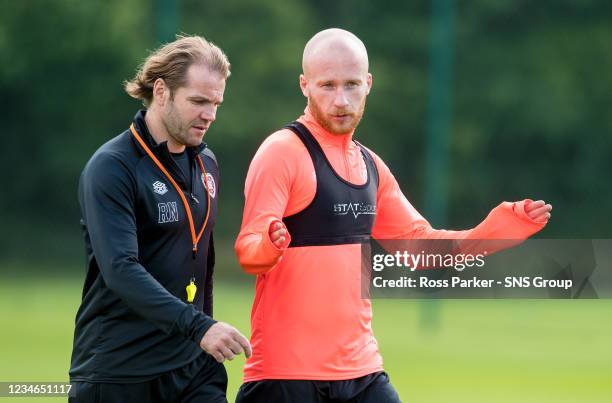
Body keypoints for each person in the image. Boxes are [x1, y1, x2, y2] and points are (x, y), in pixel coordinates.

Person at [234, 28, 552, 402]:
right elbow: (247, 249)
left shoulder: (371, 166)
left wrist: (488, 235)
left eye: (351, 84)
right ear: (304, 85)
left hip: (363, 374)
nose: (341, 99)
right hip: (285, 379)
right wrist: (269, 246)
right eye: (327, 85)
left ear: (368, 83)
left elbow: (417, 248)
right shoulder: (282, 152)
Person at [69, 35, 251, 403]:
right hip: (119, 373)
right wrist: (201, 327)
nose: (210, 114)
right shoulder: (113, 167)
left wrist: (202, 337)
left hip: (192, 370)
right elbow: (120, 268)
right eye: (198, 101)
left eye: (216, 103)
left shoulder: (207, 164)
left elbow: (202, 259)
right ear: (162, 91)